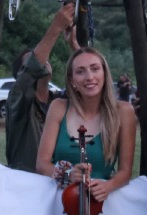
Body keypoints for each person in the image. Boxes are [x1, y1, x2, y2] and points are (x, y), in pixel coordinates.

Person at [36, 47, 136, 202]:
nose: (89, 77)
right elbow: (42, 164)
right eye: (80, 71)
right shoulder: (58, 107)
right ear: (72, 81)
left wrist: (108, 186)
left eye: (95, 69)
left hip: (99, 201)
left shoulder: (124, 111)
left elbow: (125, 172)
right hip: (57, 198)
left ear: (104, 73)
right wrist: (68, 174)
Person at [5, 1, 77, 172]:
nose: (43, 62)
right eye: (36, 59)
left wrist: (74, 46)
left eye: (45, 58)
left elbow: (89, 87)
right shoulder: (19, 102)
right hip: (27, 182)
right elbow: (31, 69)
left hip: (58, 182)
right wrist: (55, 28)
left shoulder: (58, 102)